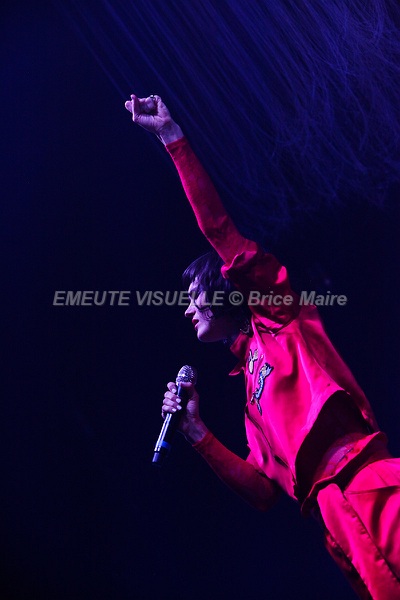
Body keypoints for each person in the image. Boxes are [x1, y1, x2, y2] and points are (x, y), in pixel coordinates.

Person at [125, 93, 400, 599]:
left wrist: (172, 139)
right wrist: (196, 431)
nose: (186, 310)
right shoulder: (250, 395)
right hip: (336, 523)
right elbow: (262, 490)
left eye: (192, 296)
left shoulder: (278, 318)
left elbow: (220, 231)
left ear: (222, 288)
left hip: (369, 485)